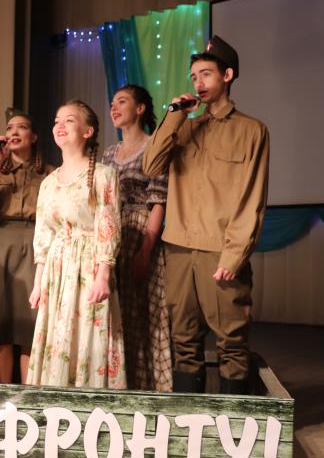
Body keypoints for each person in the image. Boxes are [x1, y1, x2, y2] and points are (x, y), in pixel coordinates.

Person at [142, 36, 270, 394]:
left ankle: (233, 422)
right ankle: (188, 423)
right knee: (183, 340)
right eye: (194, 76)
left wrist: (235, 254)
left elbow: (253, 197)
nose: (198, 82)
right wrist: (174, 114)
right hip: (179, 248)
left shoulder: (251, 130)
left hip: (220, 250)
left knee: (232, 341)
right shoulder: (184, 127)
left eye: (206, 74)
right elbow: (151, 165)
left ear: (227, 75)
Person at [26, 99, 125, 389]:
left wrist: (103, 275)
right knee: (58, 336)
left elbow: (108, 226)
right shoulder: (49, 182)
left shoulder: (104, 175)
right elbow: (43, 234)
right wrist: (38, 283)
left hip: (88, 267)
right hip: (57, 270)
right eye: (57, 121)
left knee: (87, 336)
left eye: (69, 120)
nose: (60, 125)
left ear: (87, 131)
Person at [0, 108, 53, 384]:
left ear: (34, 136)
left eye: (22, 127)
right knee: (1, 324)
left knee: (29, 325)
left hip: (35, 244)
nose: (14, 132)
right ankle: (3, 392)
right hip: (2, 244)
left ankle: (27, 393)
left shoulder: (50, 173)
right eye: (9, 128)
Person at [103, 84, 172, 392]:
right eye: (112, 103)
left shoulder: (153, 146)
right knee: (120, 314)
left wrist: (146, 250)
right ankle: (121, 384)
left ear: (140, 108)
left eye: (122, 101)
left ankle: (149, 389)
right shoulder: (108, 153)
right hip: (114, 234)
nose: (114, 107)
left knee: (146, 313)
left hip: (143, 231)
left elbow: (159, 202)